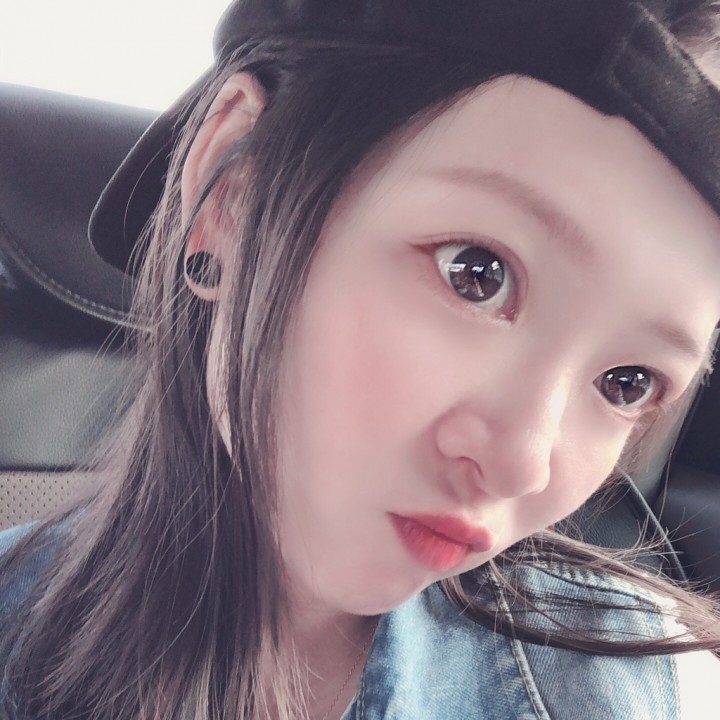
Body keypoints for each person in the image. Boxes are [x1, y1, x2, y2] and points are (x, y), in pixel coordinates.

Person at [2, 0, 720, 718]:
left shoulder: (653, 685)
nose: (522, 464)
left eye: (627, 383)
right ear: (231, 195)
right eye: (476, 273)